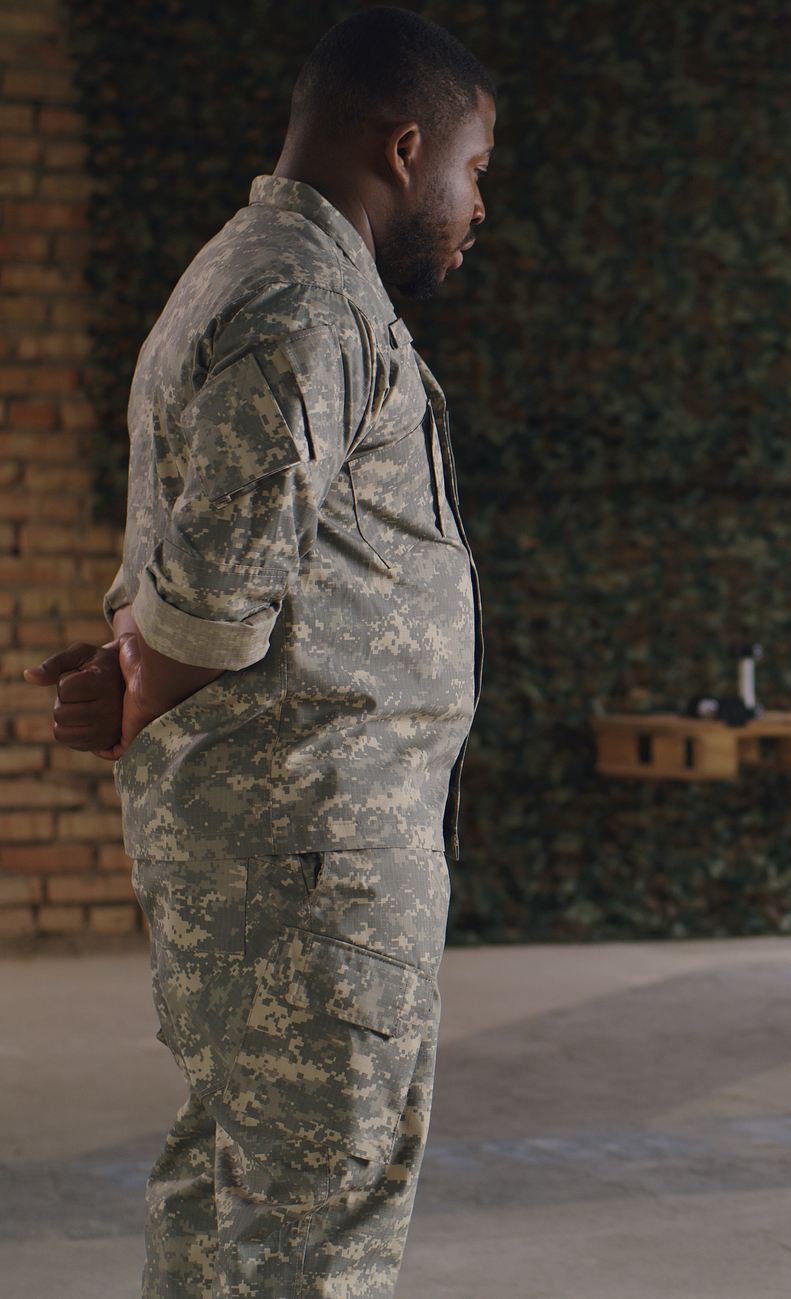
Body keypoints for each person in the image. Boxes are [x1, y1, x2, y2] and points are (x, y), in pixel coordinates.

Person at [25, 9, 493, 1295]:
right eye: (474, 171)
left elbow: (200, 569)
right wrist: (140, 675)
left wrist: (132, 671)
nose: (476, 208)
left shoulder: (245, 270)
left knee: (229, 1186)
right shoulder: (306, 298)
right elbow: (218, 594)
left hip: (279, 847)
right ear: (406, 148)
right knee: (317, 1221)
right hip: (311, 857)